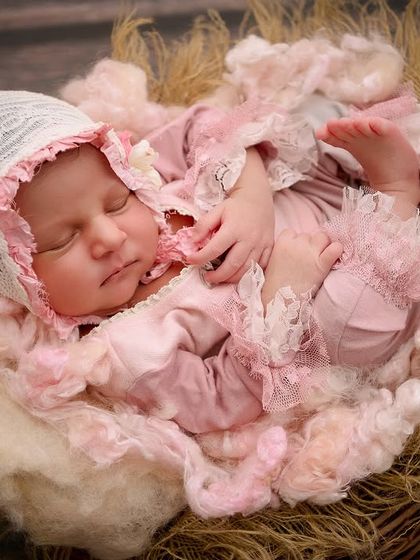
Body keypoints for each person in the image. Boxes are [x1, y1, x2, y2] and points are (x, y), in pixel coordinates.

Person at [1, 91, 419, 437]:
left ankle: (371, 173)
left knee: (308, 118)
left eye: (117, 202)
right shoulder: (128, 352)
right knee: (346, 322)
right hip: (340, 285)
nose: (110, 239)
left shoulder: (154, 183)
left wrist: (248, 195)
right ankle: (396, 192)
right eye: (62, 240)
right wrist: (285, 294)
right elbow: (222, 401)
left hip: (312, 192)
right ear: (20, 278)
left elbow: (201, 122)